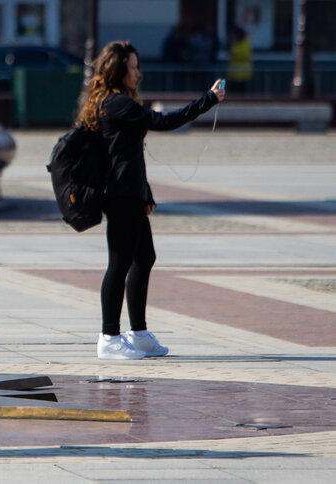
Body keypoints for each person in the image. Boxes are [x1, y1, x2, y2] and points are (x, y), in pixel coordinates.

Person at [75, 41, 224, 360]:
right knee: (119, 263)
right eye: (133, 67)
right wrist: (208, 100)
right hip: (119, 195)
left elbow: (127, 154)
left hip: (131, 192)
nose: (138, 73)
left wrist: (146, 193)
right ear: (118, 71)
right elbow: (164, 122)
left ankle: (139, 334)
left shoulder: (114, 103)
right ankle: (109, 337)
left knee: (144, 257)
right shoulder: (115, 104)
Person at [227, 25, 253, 93]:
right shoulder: (233, 43)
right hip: (234, 73)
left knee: (241, 92)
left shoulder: (245, 43)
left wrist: (234, 53)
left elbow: (245, 55)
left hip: (242, 74)